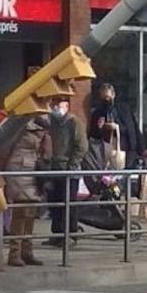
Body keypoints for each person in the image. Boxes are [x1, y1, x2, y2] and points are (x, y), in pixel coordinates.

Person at [0, 116, 50, 267]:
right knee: (21, 212)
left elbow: (47, 152)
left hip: (33, 171)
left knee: (31, 213)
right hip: (19, 170)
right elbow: (5, 148)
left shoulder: (43, 126)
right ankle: (14, 253)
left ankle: (27, 251)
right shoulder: (20, 125)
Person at [45, 97, 87, 247]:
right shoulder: (54, 122)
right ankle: (57, 234)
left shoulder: (74, 123)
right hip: (55, 168)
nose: (56, 107)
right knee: (55, 204)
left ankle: (71, 235)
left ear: (67, 106)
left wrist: (72, 165)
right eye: (54, 104)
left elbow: (82, 146)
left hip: (69, 169)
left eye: (59, 104)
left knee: (69, 204)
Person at [89, 83, 145, 167]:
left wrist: (141, 150)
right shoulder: (97, 113)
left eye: (108, 97)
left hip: (125, 150)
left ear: (113, 95)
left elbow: (132, 129)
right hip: (105, 152)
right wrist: (99, 128)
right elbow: (93, 136)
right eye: (103, 98)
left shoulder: (123, 110)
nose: (106, 100)